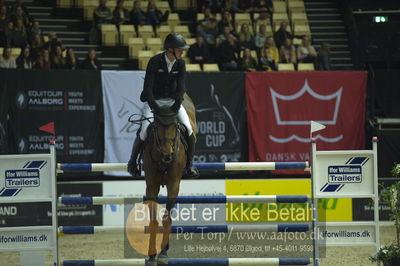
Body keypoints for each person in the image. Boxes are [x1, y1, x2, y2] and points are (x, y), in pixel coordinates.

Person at [127, 33, 200, 178]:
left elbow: (181, 88)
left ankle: (189, 165)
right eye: (180, 49)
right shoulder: (155, 61)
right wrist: (155, 106)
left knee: (190, 129)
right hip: (154, 101)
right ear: (170, 49)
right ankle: (132, 162)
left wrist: (177, 104)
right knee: (144, 130)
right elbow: (147, 88)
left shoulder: (180, 63)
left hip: (173, 102)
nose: (182, 52)